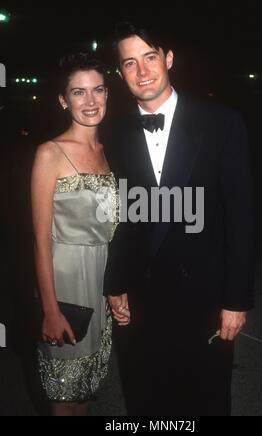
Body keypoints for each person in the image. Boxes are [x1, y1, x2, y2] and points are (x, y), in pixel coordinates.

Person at [104, 21, 255, 416]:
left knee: (207, 397)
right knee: (147, 398)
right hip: (141, 299)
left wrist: (236, 300)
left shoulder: (222, 123)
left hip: (204, 297)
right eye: (130, 63)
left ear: (168, 59)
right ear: (120, 73)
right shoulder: (117, 134)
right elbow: (122, 218)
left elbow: (241, 219)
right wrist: (115, 283)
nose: (142, 72)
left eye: (150, 57)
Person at [31, 52, 121, 416]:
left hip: (100, 283)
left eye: (97, 90)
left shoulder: (109, 151)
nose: (90, 101)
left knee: (85, 389)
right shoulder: (49, 153)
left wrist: (119, 287)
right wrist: (50, 310)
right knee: (64, 393)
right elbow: (39, 241)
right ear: (62, 99)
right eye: (78, 92)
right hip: (65, 283)